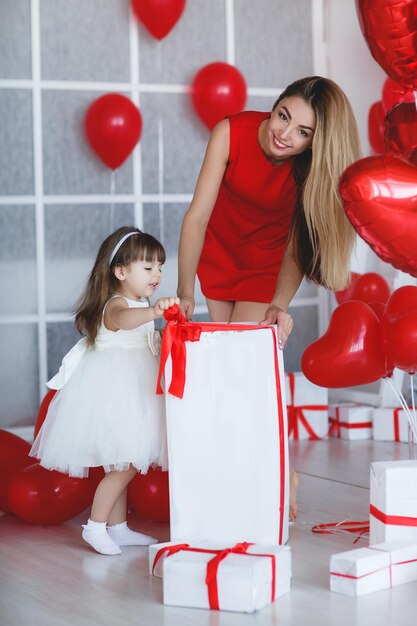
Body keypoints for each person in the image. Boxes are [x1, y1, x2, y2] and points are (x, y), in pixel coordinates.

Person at [176, 76, 361, 519]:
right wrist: (184, 290)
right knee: (223, 376)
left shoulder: (307, 169)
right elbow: (197, 217)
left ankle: (282, 473)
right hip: (220, 251)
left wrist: (280, 302)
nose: (286, 134)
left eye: (304, 133)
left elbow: (297, 247)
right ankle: (236, 478)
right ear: (274, 106)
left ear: (316, 142)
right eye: (284, 117)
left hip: (266, 264)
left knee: (244, 374)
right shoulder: (231, 132)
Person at [30, 226, 179, 555]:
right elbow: (124, 320)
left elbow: (142, 334)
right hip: (115, 393)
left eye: (160, 267)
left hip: (134, 391)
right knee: (125, 462)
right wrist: (154, 313)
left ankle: (118, 528)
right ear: (121, 271)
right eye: (148, 267)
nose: (157, 274)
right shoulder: (116, 304)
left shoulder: (139, 300)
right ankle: (95, 526)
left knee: (121, 462)